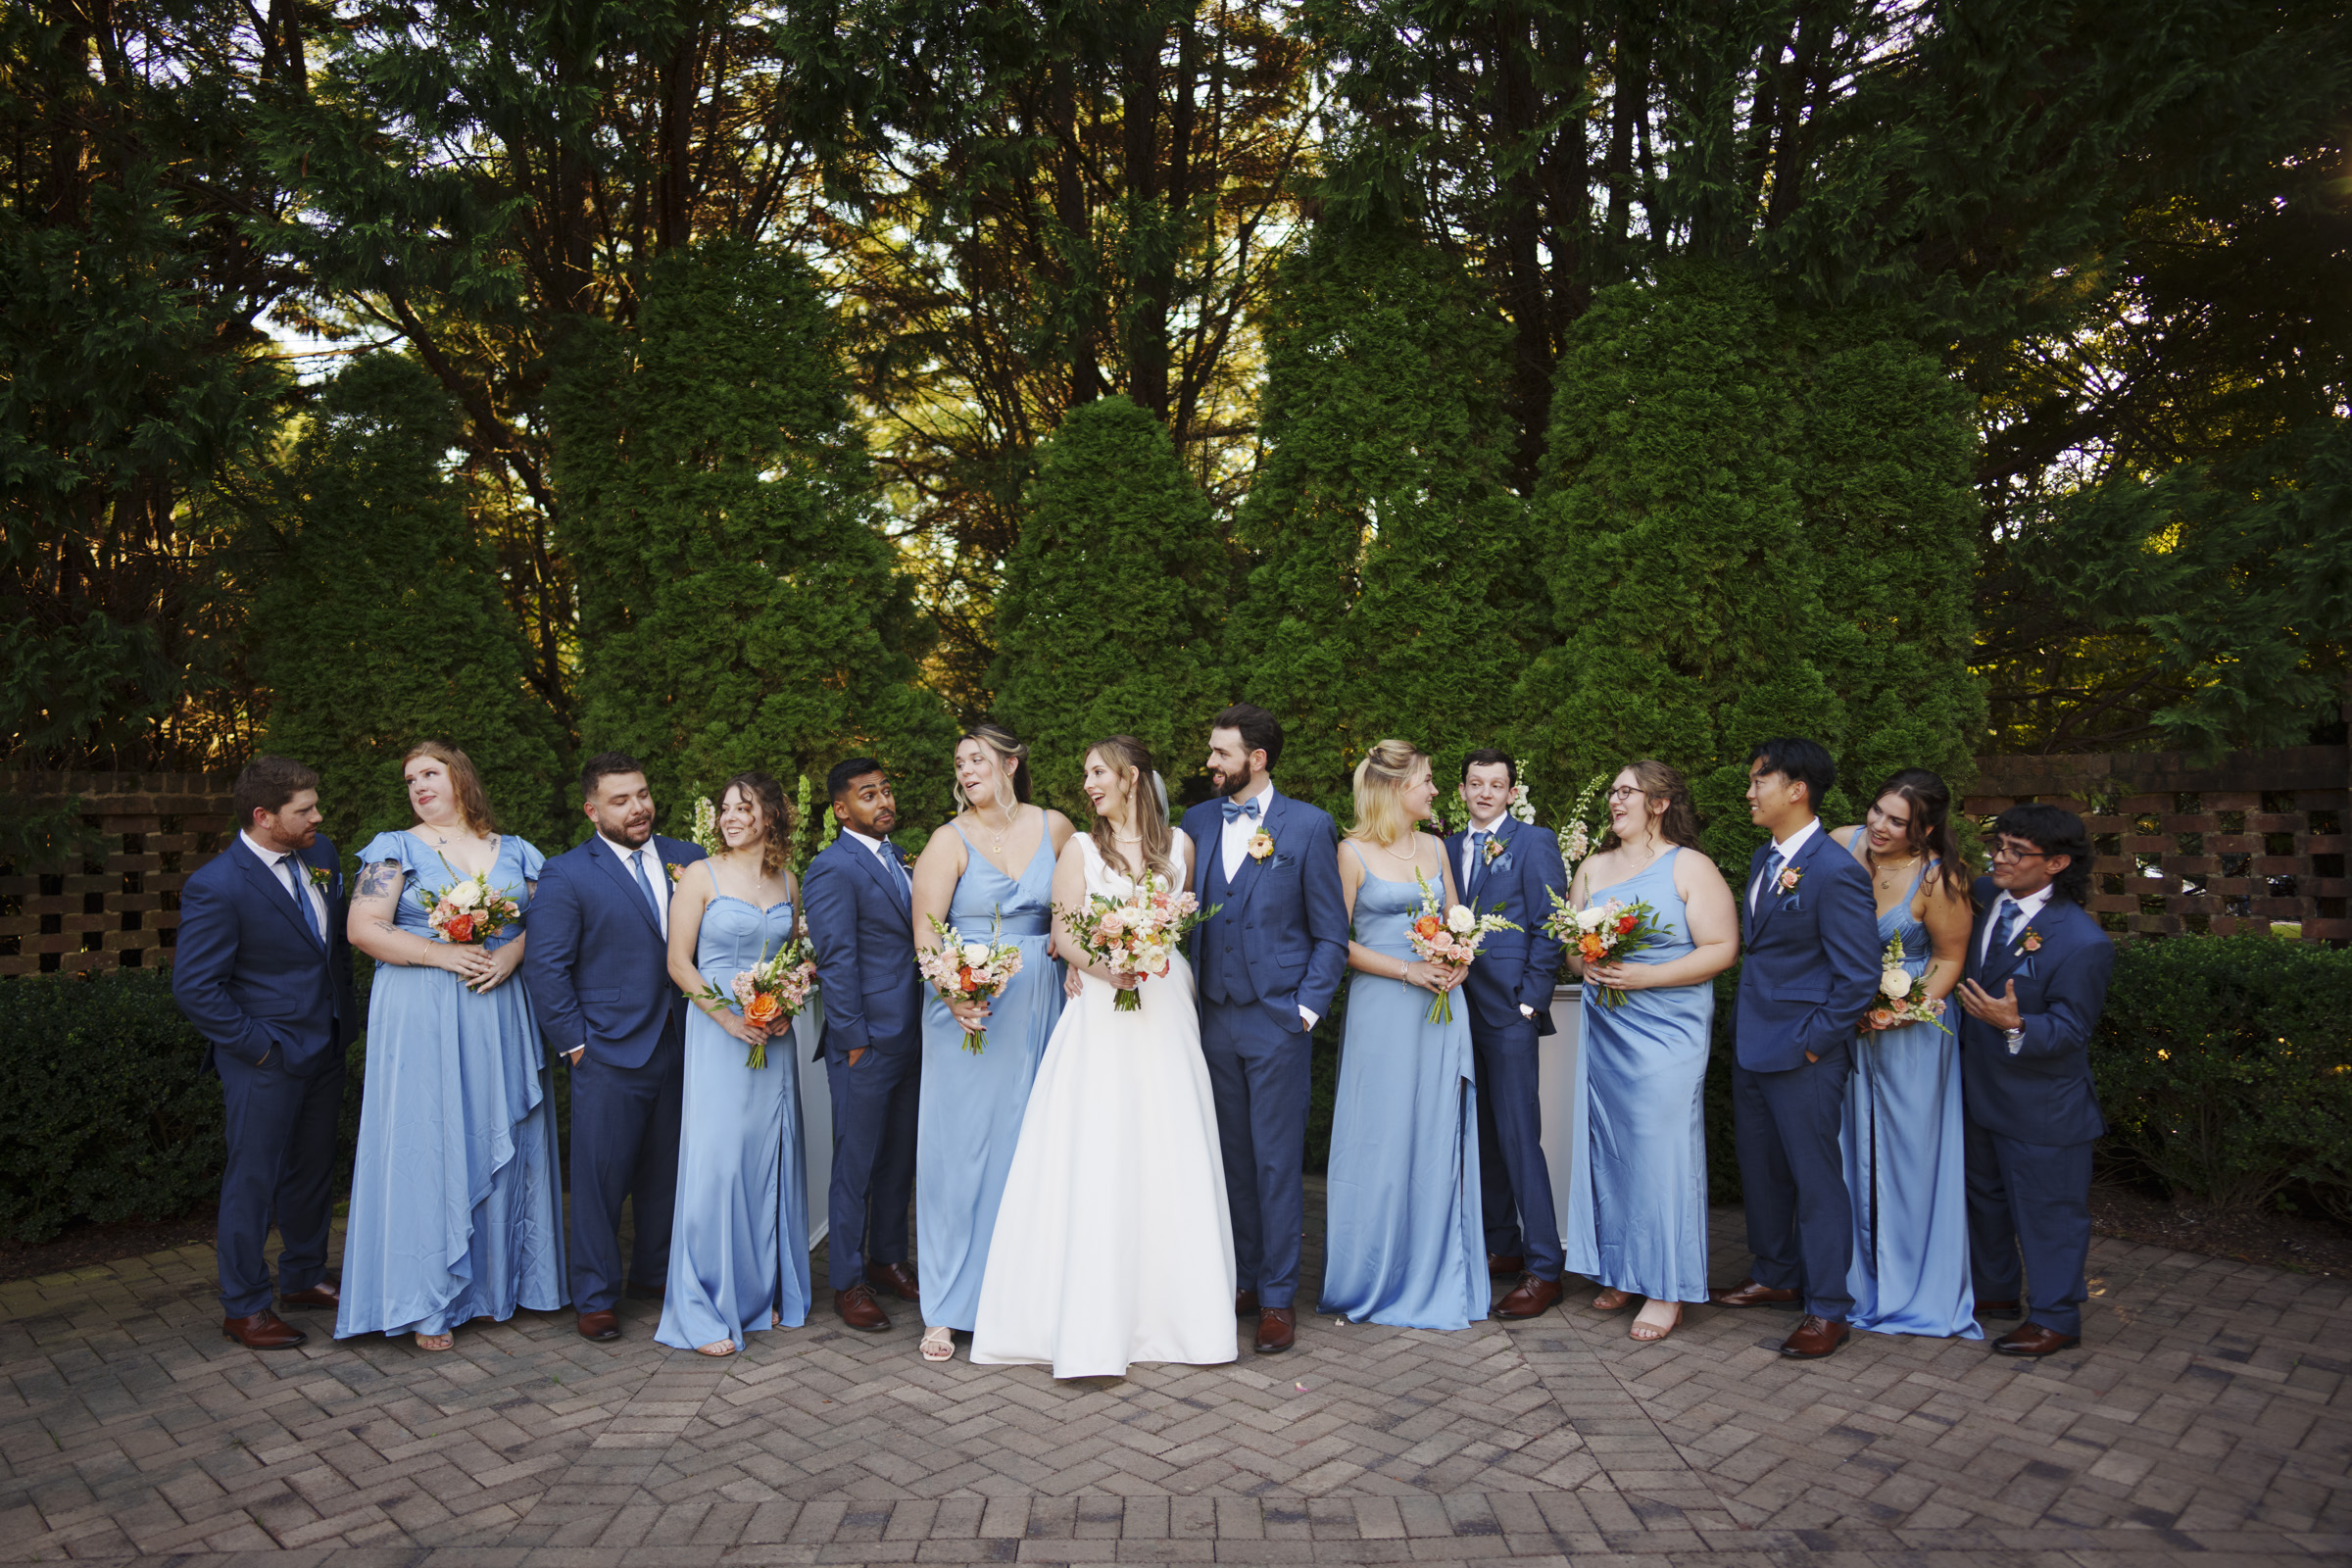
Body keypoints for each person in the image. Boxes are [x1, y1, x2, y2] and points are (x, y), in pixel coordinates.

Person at [971, 736, 1237, 1376]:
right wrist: (1107, 967)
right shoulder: (1078, 850)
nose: (1088, 783)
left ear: (1131, 776)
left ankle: (1179, 1318)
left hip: (1165, 1003)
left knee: (1167, 1142)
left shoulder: (1180, 848)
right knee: (1099, 1143)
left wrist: (1143, 959)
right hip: (1101, 1004)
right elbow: (1063, 933)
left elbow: (1177, 926)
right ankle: (1088, 1319)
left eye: (1097, 772)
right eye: (1085, 772)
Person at [338, 743, 565, 1349]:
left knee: (504, 1138)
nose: (417, 786)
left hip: (497, 1007)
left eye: (429, 773)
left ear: (461, 776)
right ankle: (427, 1299)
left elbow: (546, 925)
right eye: (410, 779)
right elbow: (363, 929)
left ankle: (499, 1288)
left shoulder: (519, 853)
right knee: (428, 1138)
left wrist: (512, 953)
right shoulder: (392, 849)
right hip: (420, 1009)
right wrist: (441, 954)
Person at [1180, 704, 1349, 1355]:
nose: (1211, 763)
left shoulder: (1307, 826)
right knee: (1231, 1161)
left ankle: (1278, 1297)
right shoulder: (1196, 822)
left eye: (1221, 753)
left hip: (1278, 1019)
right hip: (1212, 1017)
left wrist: (1305, 1010)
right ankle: (1244, 1278)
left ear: (1257, 758)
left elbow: (1331, 934)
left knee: (1278, 1162)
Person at [171, 757, 356, 1351]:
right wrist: (259, 1049)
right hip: (265, 1058)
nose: (317, 817)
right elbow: (196, 987)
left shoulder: (321, 855)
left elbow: (332, 949)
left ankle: (302, 1276)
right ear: (263, 817)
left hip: (325, 1044)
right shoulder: (217, 885)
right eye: (304, 810)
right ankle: (245, 1306)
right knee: (253, 1180)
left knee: (312, 1171)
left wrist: (341, 1023)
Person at [522, 753, 708, 1343]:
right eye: (622, 800)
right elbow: (546, 968)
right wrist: (577, 1044)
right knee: (601, 1179)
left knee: (667, 1169)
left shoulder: (690, 859)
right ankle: (596, 1296)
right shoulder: (567, 873)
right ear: (592, 810)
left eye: (643, 795)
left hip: (685, 1041)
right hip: (606, 1049)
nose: (638, 808)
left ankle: (653, 1275)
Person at [1710, 737, 1882, 1360]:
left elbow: (1859, 976)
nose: (1750, 791)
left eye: (1760, 780)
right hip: (1755, 1042)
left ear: (1796, 789)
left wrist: (1812, 1046)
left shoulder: (1836, 872)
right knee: (1762, 1170)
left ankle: (1828, 1308)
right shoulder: (1765, 859)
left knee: (1815, 1181)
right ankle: (1775, 1273)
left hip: (1803, 1053)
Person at [908, 725, 1075, 1362]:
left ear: (1010, 763)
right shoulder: (946, 842)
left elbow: (1072, 914)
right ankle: (946, 1308)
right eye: (959, 761)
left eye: (978, 758)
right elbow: (927, 935)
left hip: (1042, 1008)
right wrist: (953, 993)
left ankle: (1022, 1302)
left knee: (1030, 1151)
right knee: (960, 1154)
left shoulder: (1056, 827)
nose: (967, 768)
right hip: (969, 1013)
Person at [1560, 760, 1738, 1344]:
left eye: (1626, 792)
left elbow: (1720, 948)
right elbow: (1571, 954)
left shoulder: (1691, 867)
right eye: (1611, 791)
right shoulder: (1592, 867)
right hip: (1607, 1028)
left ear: (1659, 803)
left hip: (1668, 1030)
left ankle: (1666, 1286)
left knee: (1661, 1150)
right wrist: (1588, 960)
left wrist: (1644, 978)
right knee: (1611, 1148)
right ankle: (1621, 1269)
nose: (1615, 800)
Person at [1319, 740, 1486, 1331]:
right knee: (1381, 1134)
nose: (1436, 790)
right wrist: (1407, 969)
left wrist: (1460, 957)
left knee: (1435, 1130)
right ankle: (1371, 1275)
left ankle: (1435, 1268)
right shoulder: (1350, 852)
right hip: (1384, 1007)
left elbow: (1457, 918)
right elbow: (1335, 941)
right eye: (1427, 780)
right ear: (1394, 789)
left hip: (1441, 1006)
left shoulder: (1436, 847)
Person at [657, 772, 814, 1356]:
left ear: (770, 815)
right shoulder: (700, 876)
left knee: (766, 1161)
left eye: (743, 807)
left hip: (772, 1040)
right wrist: (726, 1018)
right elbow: (678, 962)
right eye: (725, 808)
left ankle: (758, 1293)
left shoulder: (787, 880)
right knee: (718, 1165)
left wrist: (786, 1010)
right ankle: (702, 1306)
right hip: (718, 1032)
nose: (730, 817)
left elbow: (796, 961)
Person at [1955, 803, 2117, 1356]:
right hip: (1979, 1092)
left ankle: (2055, 1318)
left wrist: (2017, 1023)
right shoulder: (1983, 896)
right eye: (1998, 845)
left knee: (2049, 1213)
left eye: (2016, 852)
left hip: (2044, 1105)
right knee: (1985, 1198)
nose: (2000, 858)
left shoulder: (2082, 941)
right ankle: (1996, 1293)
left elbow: (2073, 1028)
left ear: (2056, 864)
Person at [1829, 769, 1980, 1341]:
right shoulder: (1843, 843)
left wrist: (1904, 1008)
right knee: (1847, 1149)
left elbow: (1948, 959)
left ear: (1927, 828)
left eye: (1899, 821)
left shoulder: (1940, 880)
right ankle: (1850, 1282)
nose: (1881, 826)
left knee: (1910, 1156)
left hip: (1913, 1031)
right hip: (1846, 1022)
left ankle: (1914, 1287)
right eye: (1878, 811)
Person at [1443, 750, 1570, 1319]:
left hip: (1508, 1011)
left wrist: (1528, 1002)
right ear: (1462, 790)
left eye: (1497, 785)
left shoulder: (1534, 841)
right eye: (1476, 783)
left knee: (1520, 1137)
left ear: (1512, 792)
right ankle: (1501, 1245)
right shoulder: (1444, 847)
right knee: (1481, 1136)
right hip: (1457, 1013)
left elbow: (1551, 925)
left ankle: (1545, 1268)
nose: (1485, 792)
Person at [802, 758, 925, 1332]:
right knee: (855, 1162)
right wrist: (852, 1040)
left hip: (912, 1034)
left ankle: (886, 1257)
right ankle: (847, 1282)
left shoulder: (901, 859)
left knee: (898, 1158)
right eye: (868, 794)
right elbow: (837, 958)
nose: (883, 801)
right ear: (841, 809)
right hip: (865, 1043)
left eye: (886, 789)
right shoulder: (832, 868)